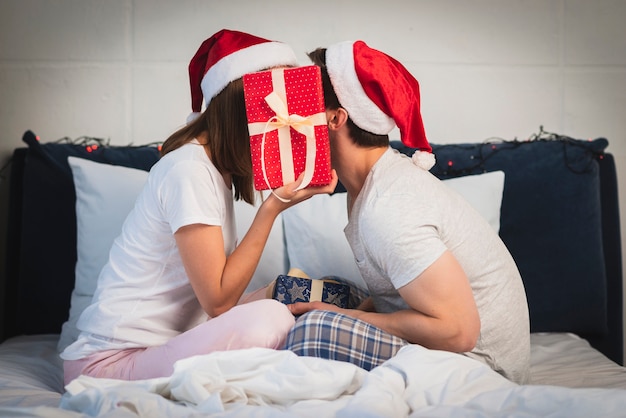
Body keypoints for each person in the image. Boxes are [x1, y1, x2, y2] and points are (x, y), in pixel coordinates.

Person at [60, 29, 338, 384]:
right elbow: (219, 304)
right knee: (273, 318)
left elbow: (213, 302)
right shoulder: (188, 170)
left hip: (160, 348)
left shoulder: (211, 168)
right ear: (241, 108)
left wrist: (274, 292)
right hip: (108, 365)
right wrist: (272, 208)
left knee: (287, 299)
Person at [284, 40, 530, 384]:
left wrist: (344, 320)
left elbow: (459, 333)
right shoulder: (370, 187)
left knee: (312, 328)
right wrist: (345, 310)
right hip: (449, 340)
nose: (292, 115)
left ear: (335, 117)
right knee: (304, 291)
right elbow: (393, 293)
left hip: (478, 367)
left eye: (304, 100)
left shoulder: (389, 207)